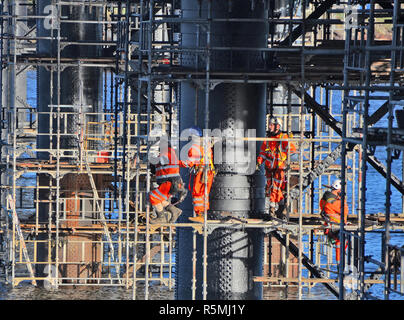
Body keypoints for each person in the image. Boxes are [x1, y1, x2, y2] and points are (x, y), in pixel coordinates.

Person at [256, 117, 296, 215]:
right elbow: (262, 153)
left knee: (276, 188)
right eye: (269, 124)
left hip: (279, 168)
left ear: (277, 126)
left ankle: (272, 208)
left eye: (271, 125)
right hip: (270, 168)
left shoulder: (283, 138)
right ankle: (280, 205)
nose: (269, 127)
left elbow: (292, 150)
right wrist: (258, 163)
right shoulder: (268, 139)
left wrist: (287, 159)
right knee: (271, 188)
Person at [149, 136, 188, 224]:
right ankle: (174, 211)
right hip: (170, 183)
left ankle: (161, 217)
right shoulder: (169, 153)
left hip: (169, 182)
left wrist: (150, 160)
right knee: (160, 199)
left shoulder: (167, 153)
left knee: (153, 196)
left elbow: (160, 161)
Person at [180, 126, 215, 223]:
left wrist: (178, 163)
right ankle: (203, 213)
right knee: (204, 193)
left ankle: (200, 214)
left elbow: (190, 162)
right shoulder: (207, 145)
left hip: (201, 172)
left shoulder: (195, 147)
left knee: (197, 192)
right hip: (209, 172)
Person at [320, 179, 349, 263]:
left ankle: (340, 264)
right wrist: (342, 200)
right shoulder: (336, 202)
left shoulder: (324, 200)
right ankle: (341, 265)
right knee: (343, 242)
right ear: (339, 190)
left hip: (329, 225)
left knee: (340, 244)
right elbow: (345, 211)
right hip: (336, 226)